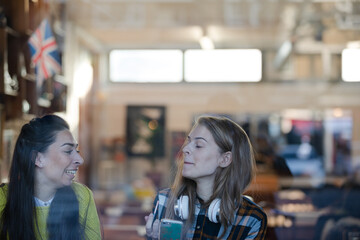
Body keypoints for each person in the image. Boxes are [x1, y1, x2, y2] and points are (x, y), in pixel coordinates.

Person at [145, 115, 267, 239]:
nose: (185, 148)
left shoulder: (251, 219)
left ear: (225, 159)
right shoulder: (164, 201)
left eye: (198, 145)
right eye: (188, 142)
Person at [0, 114, 102, 240]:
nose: (80, 160)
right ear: (38, 158)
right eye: (68, 151)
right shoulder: (2, 199)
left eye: (77, 151)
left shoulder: (83, 196)